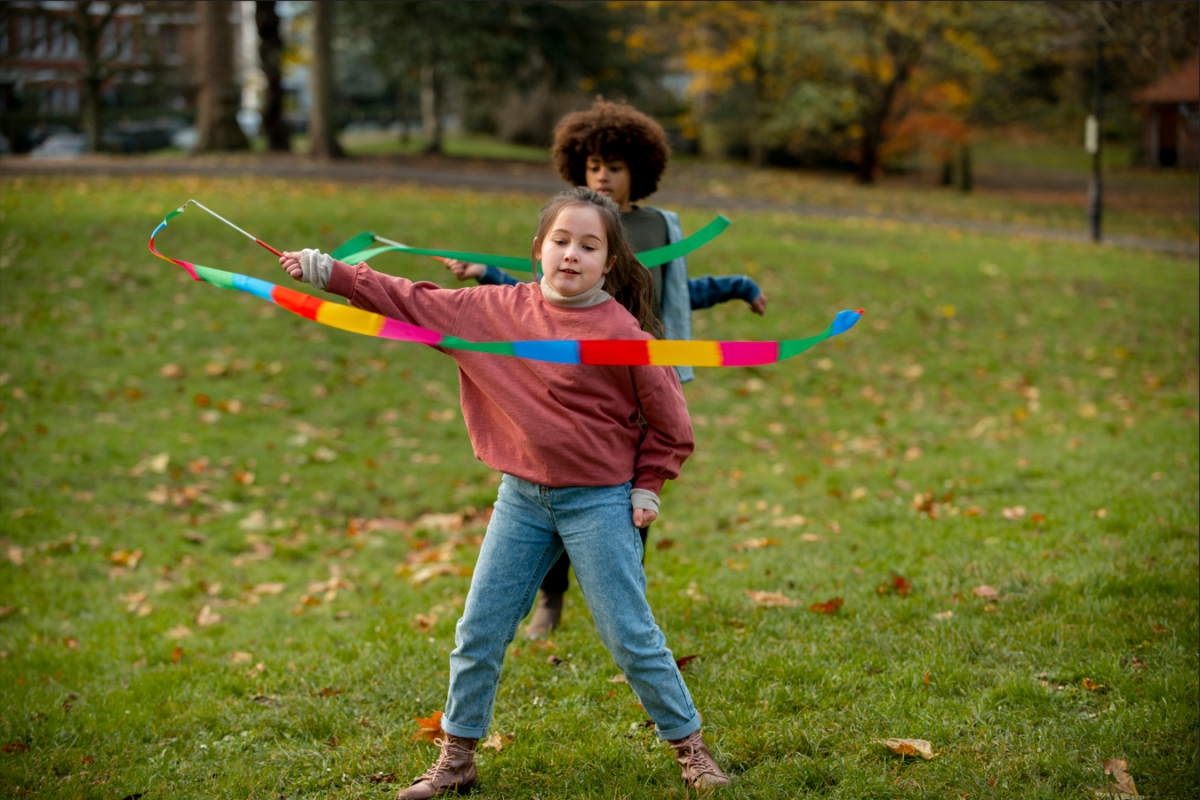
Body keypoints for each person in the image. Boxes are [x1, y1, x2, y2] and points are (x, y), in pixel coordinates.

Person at [279, 188, 730, 797]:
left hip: (598, 500)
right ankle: (458, 757)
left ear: (609, 263)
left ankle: (690, 747)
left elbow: (672, 425)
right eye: (561, 241)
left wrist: (648, 484)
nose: (572, 254)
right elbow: (411, 299)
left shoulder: (624, 334)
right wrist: (329, 271)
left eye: (589, 245)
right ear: (538, 251)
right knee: (479, 630)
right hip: (521, 498)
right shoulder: (489, 310)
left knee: (630, 635)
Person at [446, 99, 766, 638]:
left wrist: (738, 287)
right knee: (556, 485)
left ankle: (623, 601)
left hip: (641, 379)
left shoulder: (660, 228)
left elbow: (677, 294)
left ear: (639, 170)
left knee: (629, 496)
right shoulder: (577, 228)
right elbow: (540, 303)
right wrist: (486, 274)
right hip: (578, 383)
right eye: (594, 166)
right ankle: (552, 597)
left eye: (614, 167)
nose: (603, 176)